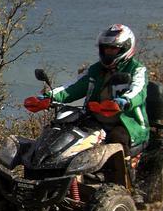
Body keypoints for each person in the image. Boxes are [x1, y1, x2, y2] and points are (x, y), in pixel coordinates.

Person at [43, 23, 149, 151]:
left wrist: (125, 100)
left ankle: (124, 170)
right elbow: (73, 88)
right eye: (105, 48)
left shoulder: (137, 69)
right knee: (63, 132)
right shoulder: (95, 70)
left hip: (127, 124)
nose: (108, 51)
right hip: (95, 120)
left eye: (113, 48)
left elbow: (138, 91)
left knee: (116, 140)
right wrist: (48, 97)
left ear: (125, 48)